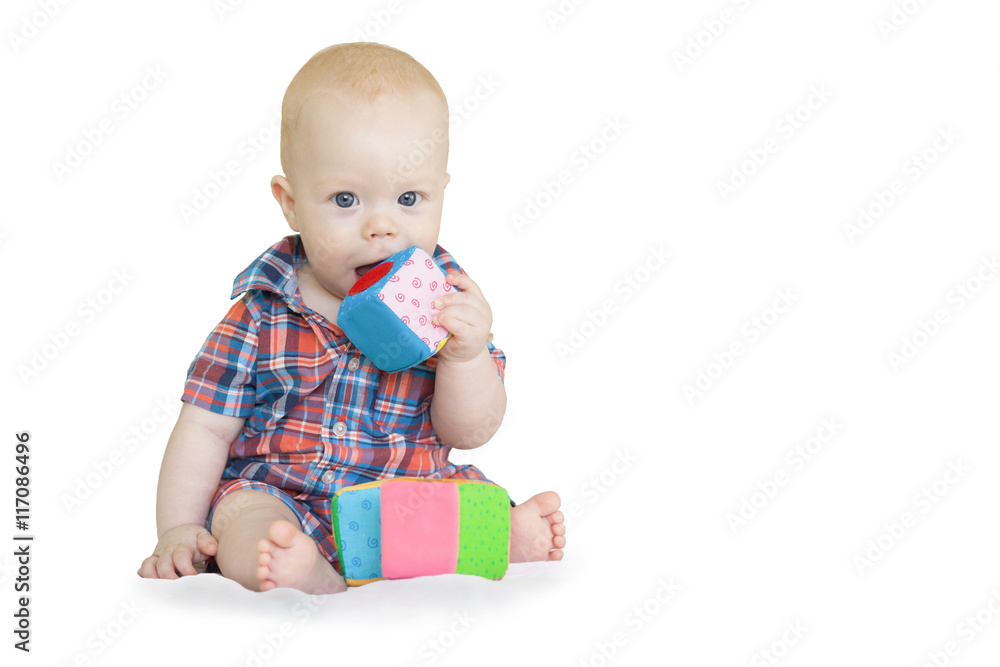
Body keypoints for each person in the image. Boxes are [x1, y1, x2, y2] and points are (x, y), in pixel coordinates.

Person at [137, 42, 566, 594]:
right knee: (243, 519)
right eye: (345, 200)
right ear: (290, 203)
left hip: (407, 499)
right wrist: (177, 529)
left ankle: (501, 538)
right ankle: (294, 565)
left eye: (410, 198)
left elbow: (470, 432)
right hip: (287, 497)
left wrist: (466, 356)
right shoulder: (262, 312)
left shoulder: (445, 305)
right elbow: (204, 426)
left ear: (442, 195)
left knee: (453, 503)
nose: (381, 227)